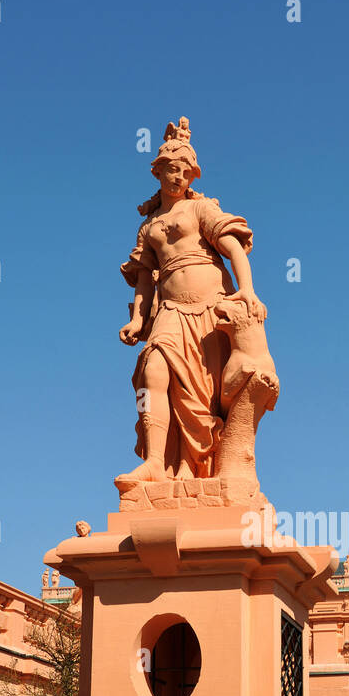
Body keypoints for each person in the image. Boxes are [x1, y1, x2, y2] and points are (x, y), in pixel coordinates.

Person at [115, 118, 269, 490]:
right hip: (168, 311)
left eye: (185, 171)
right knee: (153, 372)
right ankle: (154, 462)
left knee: (200, 395)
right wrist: (138, 319)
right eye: (172, 169)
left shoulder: (200, 210)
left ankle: (193, 465)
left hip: (208, 310)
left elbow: (232, 248)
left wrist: (246, 290)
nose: (178, 177)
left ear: (192, 175)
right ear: (159, 172)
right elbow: (142, 278)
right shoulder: (149, 225)